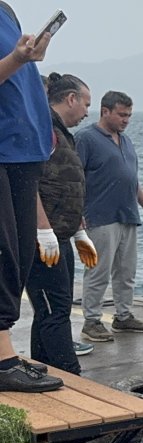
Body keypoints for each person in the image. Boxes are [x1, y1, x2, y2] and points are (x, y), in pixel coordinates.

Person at [0, 3, 62, 391]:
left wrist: (29, 56)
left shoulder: (6, 10)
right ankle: (3, 361)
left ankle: (5, 351)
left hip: (24, 149)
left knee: (19, 253)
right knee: (2, 251)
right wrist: (17, 58)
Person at [28, 72, 98, 375]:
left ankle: (41, 368)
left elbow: (65, 185)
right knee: (53, 310)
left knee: (53, 309)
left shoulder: (62, 133)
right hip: (42, 238)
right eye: (85, 104)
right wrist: (42, 229)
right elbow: (29, 183)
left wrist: (79, 230)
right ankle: (70, 376)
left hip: (62, 235)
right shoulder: (42, 129)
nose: (86, 113)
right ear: (71, 98)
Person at [76, 90, 143, 343]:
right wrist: (77, 212)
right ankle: (91, 321)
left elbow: (131, 179)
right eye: (122, 115)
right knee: (98, 271)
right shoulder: (85, 139)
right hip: (100, 216)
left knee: (126, 271)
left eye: (129, 116)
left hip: (128, 214)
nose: (126, 120)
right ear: (105, 111)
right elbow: (75, 178)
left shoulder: (126, 141)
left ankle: (123, 316)